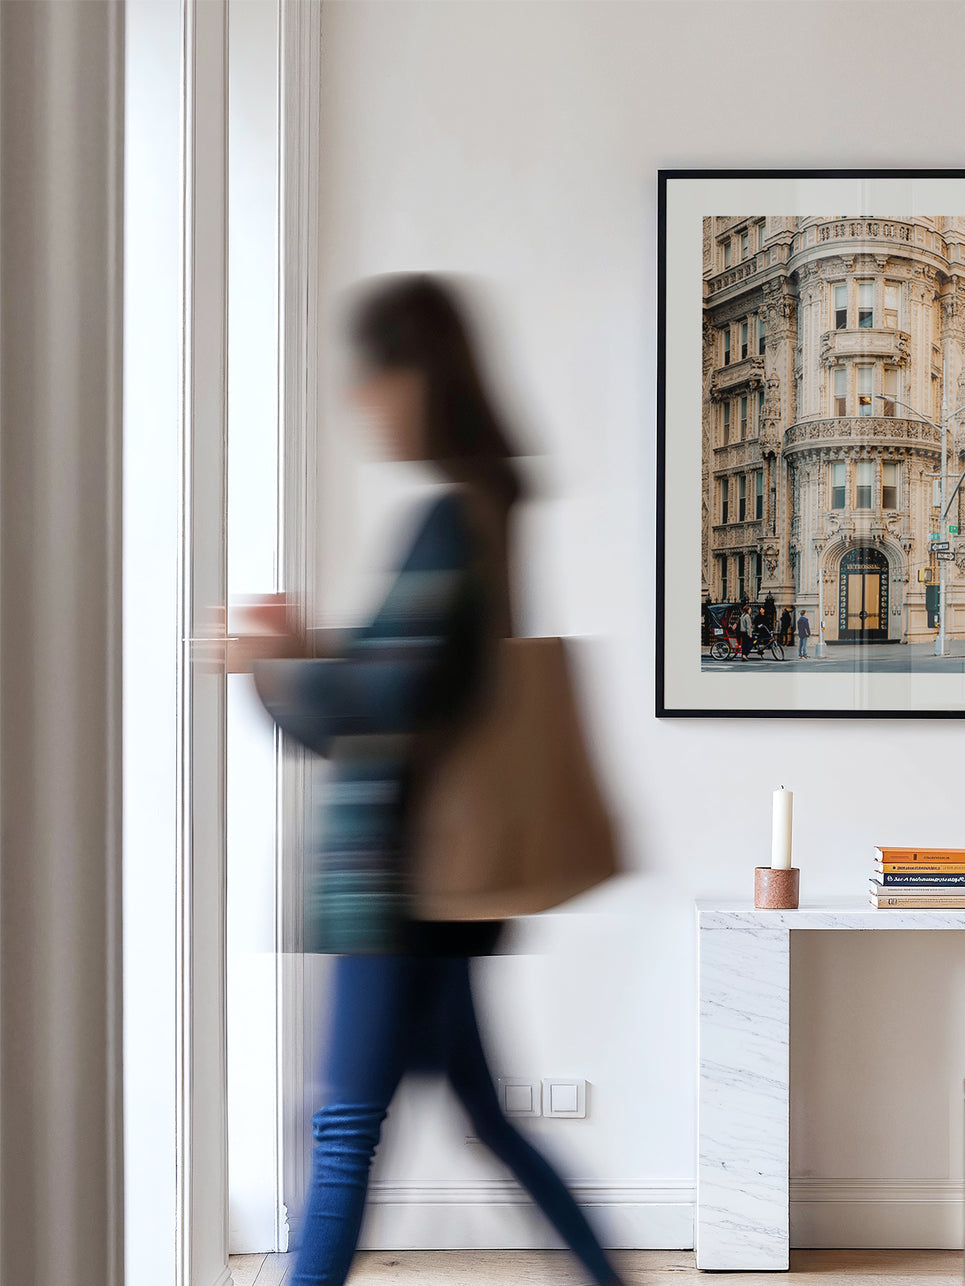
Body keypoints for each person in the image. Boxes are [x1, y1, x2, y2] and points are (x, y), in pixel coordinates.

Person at [225, 276, 624, 1286]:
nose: (359, 400)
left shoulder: (452, 522)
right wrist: (305, 651)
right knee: (484, 1118)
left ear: (415, 378)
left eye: (371, 375)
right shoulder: (484, 513)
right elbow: (409, 675)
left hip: (398, 879)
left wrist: (267, 666)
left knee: (344, 1123)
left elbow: (390, 699)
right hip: (437, 879)